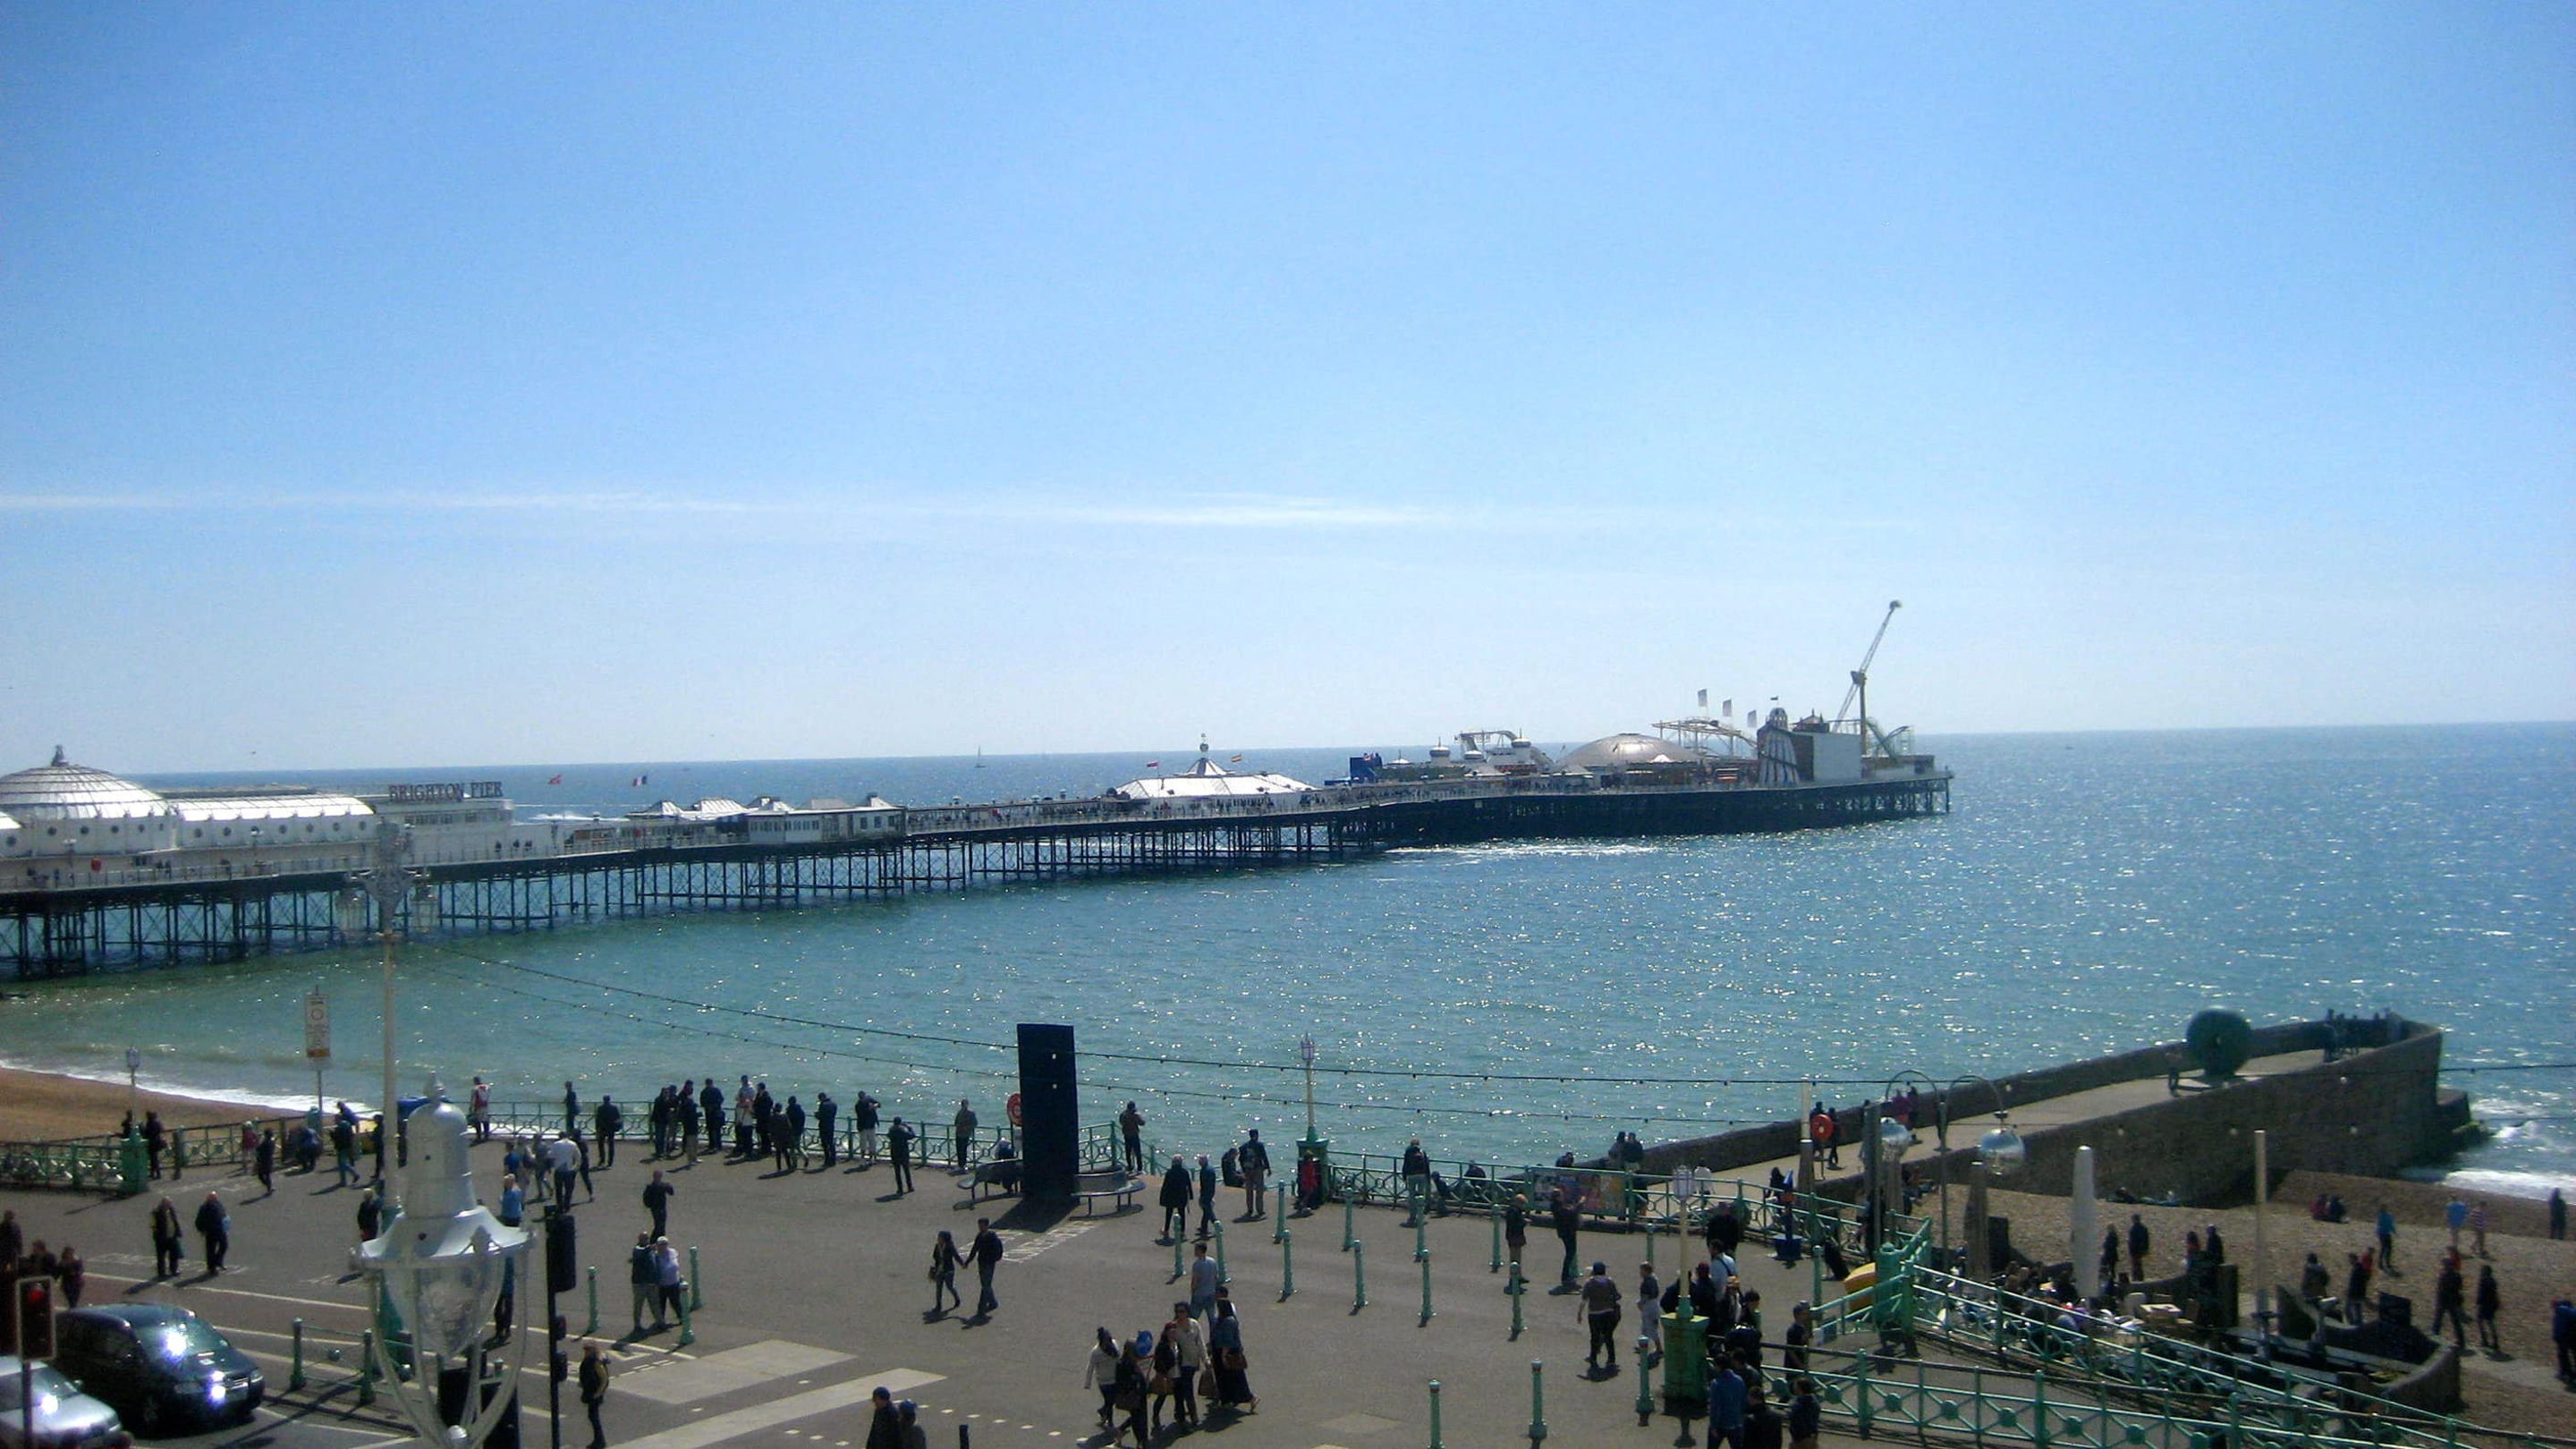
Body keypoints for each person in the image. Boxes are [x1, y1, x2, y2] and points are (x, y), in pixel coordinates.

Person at [1207, 1287, 1255, 1412]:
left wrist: (1223, 1355)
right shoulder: (1223, 1320)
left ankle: (1244, 1398)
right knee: (1227, 1377)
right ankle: (1228, 1399)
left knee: (1231, 1376)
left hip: (1226, 1353)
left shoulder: (1228, 1321)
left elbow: (1227, 1341)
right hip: (1221, 1350)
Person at [1579, 1261, 1623, 1372]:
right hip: (1608, 1313)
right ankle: (1611, 1359)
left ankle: (1593, 1358)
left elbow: (1584, 1301)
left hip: (1594, 1314)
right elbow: (1617, 1296)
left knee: (1595, 1337)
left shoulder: (1589, 1283)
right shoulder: (1610, 1281)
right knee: (1608, 1337)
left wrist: (1579, 1314)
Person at [1166, 1300, 1205, 1428]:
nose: (1180, 1314)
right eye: (1178, 1312)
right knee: (1187, 1389)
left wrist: (1206, 1360)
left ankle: (1181, 1413)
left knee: (1184, 1389)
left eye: (1182, 1311)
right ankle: (1192, 1416)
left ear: (1187, 1312)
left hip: (1193, 1362)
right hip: (1181, 1364)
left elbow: (1200, 1343)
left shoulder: (1194, 1324)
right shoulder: (1174, 1327)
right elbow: (1170, 1345)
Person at [1084, 1326, 1121, 1428]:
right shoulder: (1096, 1352)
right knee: (1109, 1401)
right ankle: (1110, 1421)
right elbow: (1090, 1367)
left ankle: (1103, 1413)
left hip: (1114, 1378)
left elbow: (1119, 1359)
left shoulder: (1114, 1345)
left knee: (1111, 1401)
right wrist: (1087, 1383)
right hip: (1103, 1381)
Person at [1708, 1353, 1747, 1449]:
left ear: (1718, 1366)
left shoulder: (1716, 1384)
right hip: (1736, 1422)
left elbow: (1715, 1407)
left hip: (1721, 1423)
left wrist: (1713, 1426)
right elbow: (1743, 1401)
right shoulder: (1739, 1380)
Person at [970, 1216, 1004, 1316]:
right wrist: (968, 1262)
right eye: (979, 1225)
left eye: (982, 1225)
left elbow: (996, 1250)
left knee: (985, 1286)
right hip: (981, 1263)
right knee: (986, 1285)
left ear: (986, 1226)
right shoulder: (979, 1236)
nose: (980, 1227)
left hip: (989, 1264)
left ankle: (981, 1308)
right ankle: (993, 1302)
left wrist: (993, 1259)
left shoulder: (992, 1237)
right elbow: (974, 1249)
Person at [1551, 1182, 1582, 1288]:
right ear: (1557, 1197)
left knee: (1571, 1253)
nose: (1563, 1196)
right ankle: (1565, 1277)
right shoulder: (1558, 1207)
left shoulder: (1558, 1206)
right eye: (1561, 1195)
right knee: (1570, 1254)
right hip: (1567, 1232)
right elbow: (1570, 1214)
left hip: (1567, 1231)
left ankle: (1568, 1275)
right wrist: (1579, 1205)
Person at [579, 1341, 610, 1448]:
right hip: (590, 1391)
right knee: (592, 1416)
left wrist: (598, 1393)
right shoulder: (589, 1360)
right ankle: (598, 1440)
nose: (586, 1352)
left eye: (588, 1349)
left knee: (593, 1417)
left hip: (594, 1393)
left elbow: (604, 1379)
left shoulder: (596, 1362)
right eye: (585, 1349)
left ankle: (600, 1441)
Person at [2432, 1255, 2467, 1347]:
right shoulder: (2457, 1275)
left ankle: (2434, 1337)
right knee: (2456, 1322)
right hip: (2453, 1300)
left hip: (2443, 1300)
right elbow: (2460, 1287)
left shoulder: (2444, 1275)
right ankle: (2461, 1341)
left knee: (2438, 1320)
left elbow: (2440, 1289)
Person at [928, 1230, 962, 1317]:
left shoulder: (950, 1246)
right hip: (940, 1270)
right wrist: (935, 1268)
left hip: (949, 1270)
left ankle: (957, 1299)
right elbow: (935, 1256)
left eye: (940, 1237)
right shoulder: (937, 1246)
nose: (938, 1239)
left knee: (950, 1286)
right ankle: (938, 1305)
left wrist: (962, 1264)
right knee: (938, 1288)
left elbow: (956, 1256)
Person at [652, 1238, 684, 1328]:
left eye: (665, 1244)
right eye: (661, 1244)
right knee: (661, 1304)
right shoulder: (655, 1256)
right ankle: (660, 1322)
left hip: (674, 1283)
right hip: (661, 1285)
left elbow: (675, 1265)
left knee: (676, 1302)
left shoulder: (673, 1252)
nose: (663, 1246)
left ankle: (682, 1318)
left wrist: (680, 1276)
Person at [1158, 1157, 1192, 1241]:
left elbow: (1165, 1186)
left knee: (1168, 1214)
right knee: (1182, 1214)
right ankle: (1182, 1232)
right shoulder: (1184, 1172)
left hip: (1170, 1196)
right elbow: (1188, 1184)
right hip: (1181, 1196)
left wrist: (1162, 1198)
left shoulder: (1169, 1172)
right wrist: (1191, 1195)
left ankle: (1166, 1231)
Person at [195, 1191, 229, 1273]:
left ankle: (218, 1261)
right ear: (209, 1198)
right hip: (211, 1231)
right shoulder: (204, 1208)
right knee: (211, 1250)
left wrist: (226, 1222)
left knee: (224, 1245)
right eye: (213, 1198)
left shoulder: (219, 1204)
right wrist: (202, 1230)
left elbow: (223, 1213)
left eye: (215, 1197)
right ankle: (211, 1267)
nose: (215, 1199)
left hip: (220, 1229)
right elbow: (198, 1221)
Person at [149, 1196, 184, 1276]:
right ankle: (162, 1272)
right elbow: (153, 1225)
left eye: (170, 1203)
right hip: (161, 1238)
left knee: (174, 1254)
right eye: (168, 1203)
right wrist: (158, 1235)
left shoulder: (171, 1210)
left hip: (172, 1236)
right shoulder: (156, 1212)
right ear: (163, 1203)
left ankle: (174, 1270)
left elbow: (175, 1221)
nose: (169, 1205)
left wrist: (178, 1232)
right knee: (161, 1256)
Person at [629, 1233, 657, 1334]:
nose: (646, 1240)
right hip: (639, 1284)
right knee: (638, 1305)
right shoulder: (637, 1249)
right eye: (644, 1238)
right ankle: (637, 1325)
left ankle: (659, 1322)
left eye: (647, 1238)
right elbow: (639, 1254)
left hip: (650, 1282)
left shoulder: (649, 1250)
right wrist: (650, 1248)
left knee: (654, 1304)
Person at [1240, 1129, 1270, 1220]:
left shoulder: (1244, 1146)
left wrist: (1243, 1169)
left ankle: (1250, 1209)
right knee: (1259, 1190)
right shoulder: (1259, 1145)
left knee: (1249, 1190)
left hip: (1248, 1170)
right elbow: (1264, 1157)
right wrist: (1268, 1168)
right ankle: (1259, 1209)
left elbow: (1241, 1159)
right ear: (1256, 1135)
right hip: (1257, 1169)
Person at [1401, 1139, 1432, 1226]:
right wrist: (1428, 1177)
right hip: (1422, 1175)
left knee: (1412, 1196)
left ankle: (1412, 1216)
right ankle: (1420, 1216)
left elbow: (1405, 1165)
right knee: (1421, 1195)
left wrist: (1404, 1176)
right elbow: (1426, 1165)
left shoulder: (1408, 1152)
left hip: (1411, 1176)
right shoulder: (1422, 1152)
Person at [1638, 1261, 1665, 1362]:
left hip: (1649, 1306)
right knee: (1645, 1327)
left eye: (1641, 1270)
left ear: (1645, 1271)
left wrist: (1640, 1304)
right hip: (1654, 1304)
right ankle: (1643, 1346)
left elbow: (1645, 1296)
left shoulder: (1646, 1282)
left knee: (1650, 1328)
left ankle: (1659, 1348)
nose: (1640, 1272)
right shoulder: (1654, 1279)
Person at [1788, 1378, 1822, 1449]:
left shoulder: (1799, 1405)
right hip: (1812, 1435)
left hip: (1800, 1438)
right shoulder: (1815, 1402)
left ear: (1799, 1389)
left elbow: (1796, 1421)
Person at [864, 1385, 901, 1449]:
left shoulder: (892, 1414)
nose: (874, 1402)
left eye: (876, 1399)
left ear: (883, 1400)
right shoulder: (878, 1411)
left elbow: (896, 1436)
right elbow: (874, 1431)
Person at [2474, 1264, 2500, 1351]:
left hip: (2484, 1304)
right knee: (2490, 1323)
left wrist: (2478, 1302)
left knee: (2480, 1321)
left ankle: (2484, 1340)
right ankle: (2495, 1342)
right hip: (2492, 1304)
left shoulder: (2483, 1280)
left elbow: (2481, 1293)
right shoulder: (2493, 1281)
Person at [1190, 1241, 1218, 1318]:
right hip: (1211, 1293)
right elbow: (1215, 1277)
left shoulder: (1197, 1264)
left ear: (1200, 1250)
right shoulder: (1212, 1261)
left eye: (1196, 1250)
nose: (1194, 1251)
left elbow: (1195, 1280)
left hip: (1200, 1294)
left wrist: (1193, 1292)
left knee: (1194, 1317)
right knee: (1212, 1316)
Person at [887, 1117, 916, 1194]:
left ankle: (900, 1189)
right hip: (903, 1153)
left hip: (894, 1152)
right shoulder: (902, 1131)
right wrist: (909, 1128)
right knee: (906, 1170)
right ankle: (910, 1187)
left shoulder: (891, 1131)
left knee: (897, 1172)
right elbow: (912, 1135)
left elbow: (888, 1136)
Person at [643, 1170, 674, 1239]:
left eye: (659, 1176)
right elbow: (646, 1198)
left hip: (662, 1208)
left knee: (661, 1225)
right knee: (659, 1225)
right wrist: (650, 1205)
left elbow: (671, 1192)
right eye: (657, 1176)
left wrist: (669, 1186)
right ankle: (655, 1240)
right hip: (656, 1209)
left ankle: (660, 1239)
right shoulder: (651, 1187)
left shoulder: (662, 1185)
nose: (658, 1178)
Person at [1504, 1193, 1528, 1279]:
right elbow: (1514, 1224)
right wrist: (1524, 1222)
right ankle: (1515, 1276)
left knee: (1515, 1256)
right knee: (1516, 1257)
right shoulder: (1514, 1211)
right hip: (1515, 1235)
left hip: (1512, 1235)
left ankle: (1517, 1275)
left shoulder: (1512, 1210)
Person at [595, 1096, 623, 1167]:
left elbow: (597, 1119)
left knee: (601, 1145)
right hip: (611, 1128)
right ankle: (610, 1162)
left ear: (603, 1100)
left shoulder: (600, 1108)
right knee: (611, 1145)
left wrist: (596, 1129)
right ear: (609, 1100)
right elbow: (618, 1118)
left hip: (602, 1128)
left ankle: (602, 1160)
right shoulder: (614, 1108)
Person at [853, 1091, 880, 1165]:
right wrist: (872, 1107)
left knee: (871, 1143)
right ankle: (864, 1159)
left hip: (870, 1125)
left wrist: (875, 1105)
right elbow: (863, 1113)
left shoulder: (869, 1099)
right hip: (863, 1126)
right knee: (864, 1143)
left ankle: (870, 1159)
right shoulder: (858, 1105)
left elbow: (878, 1104)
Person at [1196, 1155, 1218, 1238]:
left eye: (1200, 1160)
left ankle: (1216, 1225)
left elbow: (1205, 1184)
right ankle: (1204, 1228)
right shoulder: (1209, 1169)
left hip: (1206, 1193)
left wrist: (1204, 1194)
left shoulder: (1206, 1171)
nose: (1199, 1162)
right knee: (1206, 1211)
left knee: (1208, 1211)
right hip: (1209, 1192)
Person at [1119, 1102, 1145, 1174]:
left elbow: (1121, 1122)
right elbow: (1142, 1123)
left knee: (1128, 1152)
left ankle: (1130, 1167)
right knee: (1137, 1153)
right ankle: (1139, 1169)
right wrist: (1139, 1115)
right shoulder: (1135, 1115)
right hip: (1134, 1135)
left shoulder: (1123, 1114)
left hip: (1126, 1135)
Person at [952, 1099, 978, 1171]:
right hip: (961, 1133)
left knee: (962, 1149)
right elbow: (956, 1123)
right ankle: (961, 1165)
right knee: (960, 1149)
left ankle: (962, 1165)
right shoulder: (965, 1113)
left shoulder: (966, 1113)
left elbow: (974, 1124)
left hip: (963, 1134)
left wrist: (966, 1127)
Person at [55, 1244, 84, 1309]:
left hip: (76, 1283)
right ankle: (73, 1309)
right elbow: (58, 1272)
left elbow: (81, 1270)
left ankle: (73, 1308)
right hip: (67, 1284)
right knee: (71, 1299)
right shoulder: (63, 1263)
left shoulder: (77, 1261)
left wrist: (76, 1273)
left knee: (74, 1300)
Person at [814, 1092, 837, 1168]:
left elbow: (821, 1116)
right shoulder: (833, 1104)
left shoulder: (823, 1105)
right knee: (831, 1143)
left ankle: (827, 1160)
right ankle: (833, 1160)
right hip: (831, 1125)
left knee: (825, 1144)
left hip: (823, 1126)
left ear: (821, 1098)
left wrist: (816, 1115)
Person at [2127, 1214, 2150, 1280]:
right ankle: (2139, 1277)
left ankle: (2137, 1278)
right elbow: (2146, 1239)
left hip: (2135, 1249)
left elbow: (2135, 1240)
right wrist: (2146, 1249)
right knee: (2137, 1264)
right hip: (2139, 1249)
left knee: (2136, 1264)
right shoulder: (2143, 1228)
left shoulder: (2135, 1228)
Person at [2377, 1204, 2399, 1271]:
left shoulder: (2380, 1215)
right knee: (2388, 1249)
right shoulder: (2388, 1215)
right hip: (2385, 1234)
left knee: (2384, 1248)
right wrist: (2394, 1232)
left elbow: (2379, 1224)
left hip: (2381, 1234)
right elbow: (2390, 1225)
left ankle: (2381, 1263)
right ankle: (2387, 1263)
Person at [470, 1077, 492, 1143]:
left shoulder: (475, 1089)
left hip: (478, 1107)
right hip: (485, 1106)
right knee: (485, 1121)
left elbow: (473, 1099)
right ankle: (486, 1135)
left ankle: (479, 1136)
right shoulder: (487, 1087)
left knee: (477, 1122)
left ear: (475, 1081)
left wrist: (471, 1108)